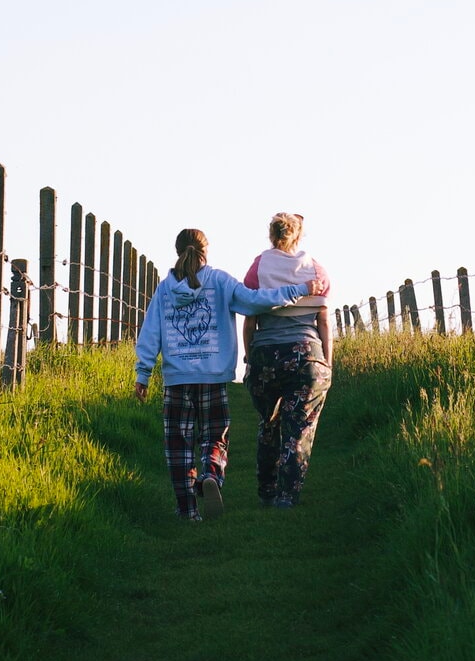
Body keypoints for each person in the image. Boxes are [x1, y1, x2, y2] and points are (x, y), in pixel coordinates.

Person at [133, 227, 326, 520]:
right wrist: (300, 289)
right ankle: (210, 473)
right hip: (213, 377)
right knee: (214, 437)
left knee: (178, 444)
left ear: (177, 251)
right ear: (205, 251)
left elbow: (150, 333)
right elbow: (256, 301)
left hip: (177, 378)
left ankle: (187, 510)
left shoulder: (165, 289)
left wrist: (143, 373)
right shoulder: (220, 281)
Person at [240, 212, 332, 508]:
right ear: (299, 235)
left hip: (266, 355)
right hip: (307, 356)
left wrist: (249, 357)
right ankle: (286, 496)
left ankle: (266, 490)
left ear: (272, 235)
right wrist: (326, 362)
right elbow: (324, 322)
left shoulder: (259, 267)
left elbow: (250, 320)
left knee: (269, 423)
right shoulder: (316, 270)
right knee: (299, 428)